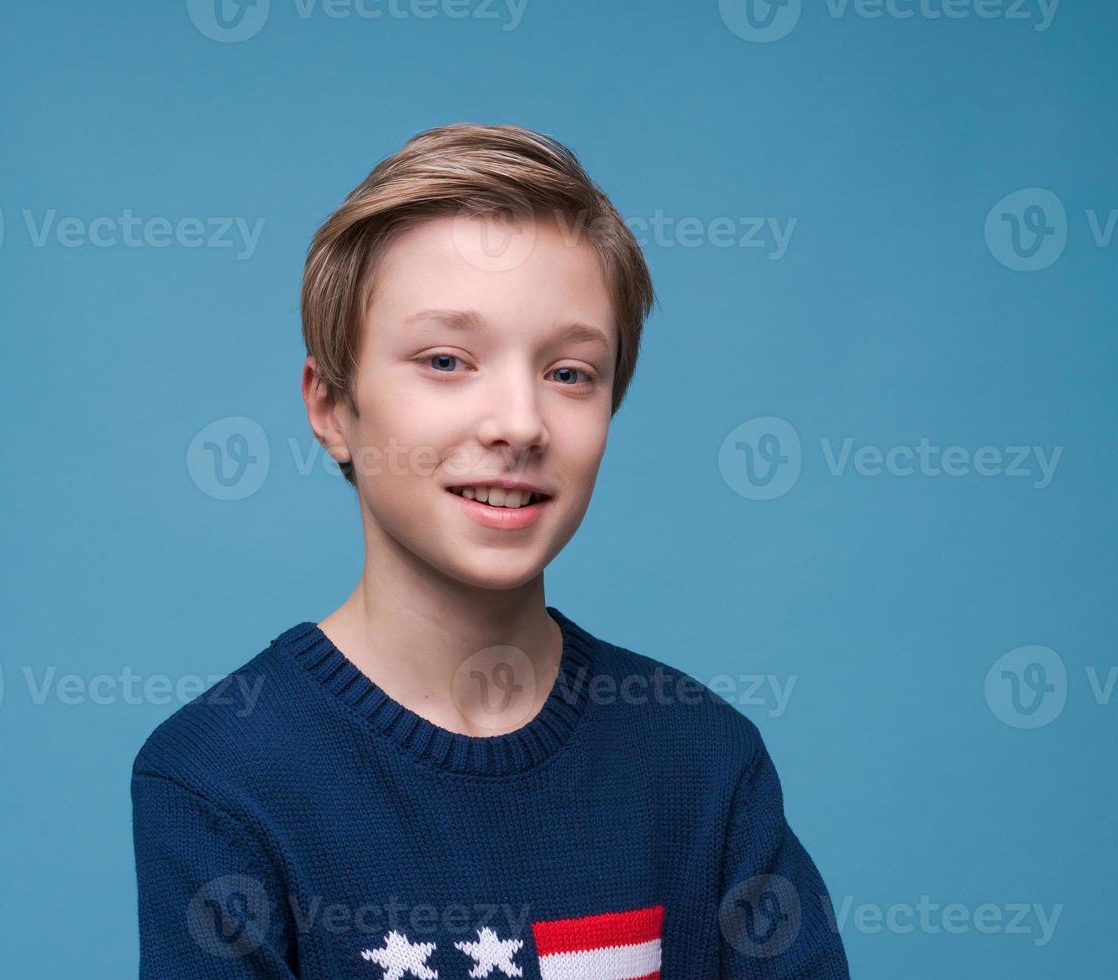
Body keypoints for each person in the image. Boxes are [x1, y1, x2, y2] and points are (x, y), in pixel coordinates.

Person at [130, 122, 851, 979]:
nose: (518, 422)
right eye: (446, 360)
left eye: (570, 372)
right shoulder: (220, 780)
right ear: (331, 408)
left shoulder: (703, 761)